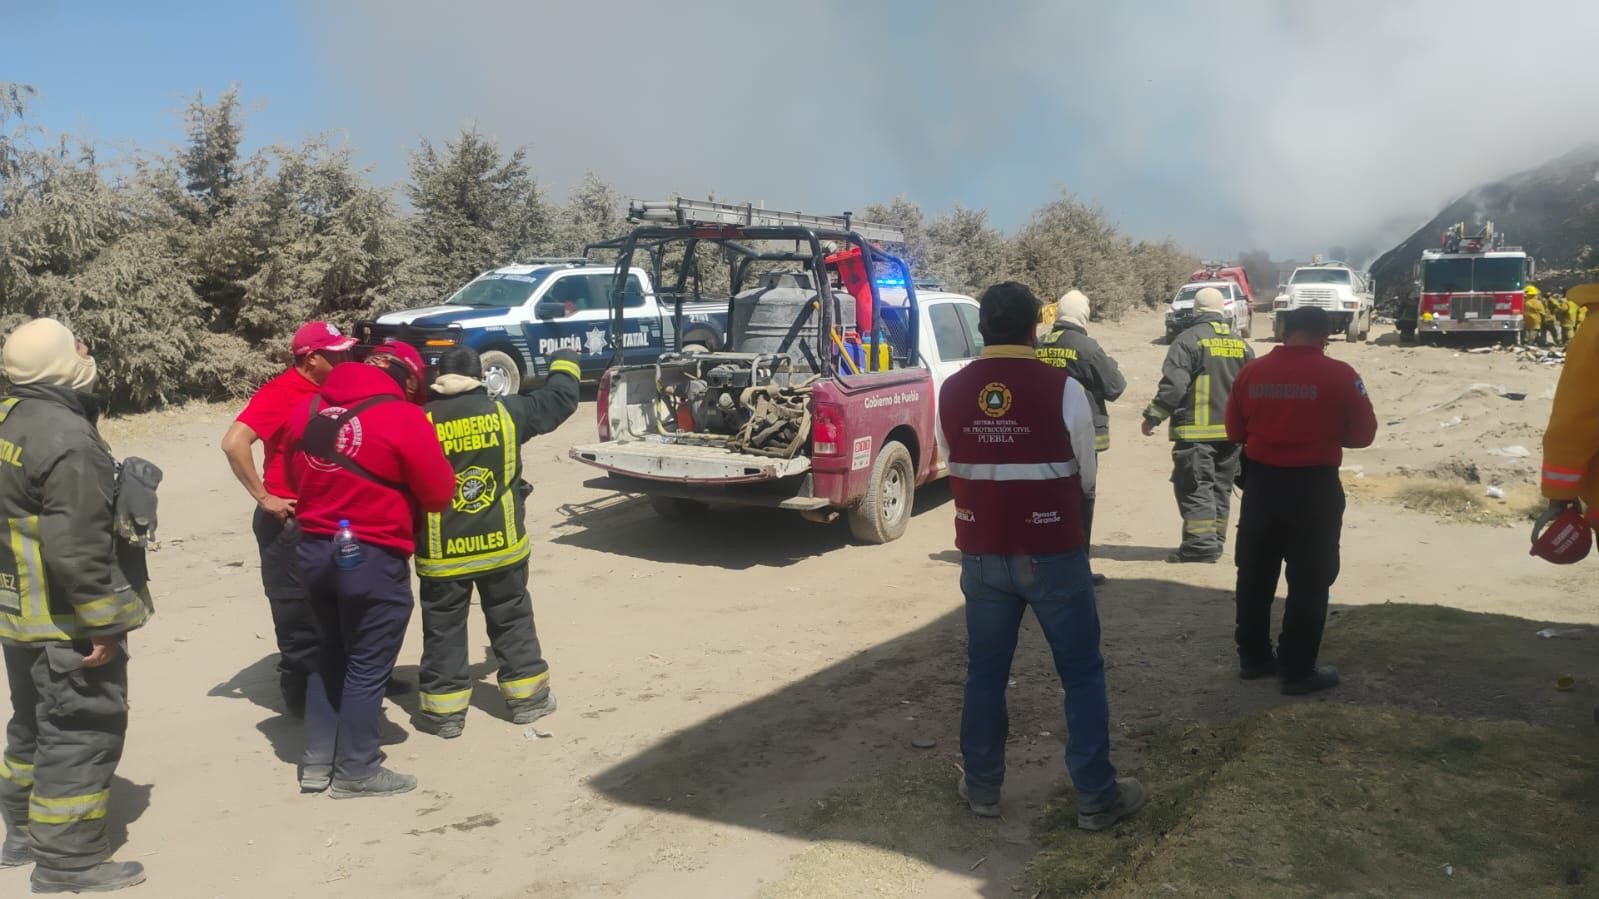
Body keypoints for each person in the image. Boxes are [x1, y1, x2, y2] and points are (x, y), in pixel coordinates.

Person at [940, 281, 1144, 830]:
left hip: (982, 555)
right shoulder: (1063, 388)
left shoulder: (952, 391)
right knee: (1080, 674)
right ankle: (1096, 798)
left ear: (983, 327)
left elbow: (950, 460)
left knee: (985, 673)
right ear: (1035, 329)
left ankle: (982, 787)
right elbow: (1088, 476)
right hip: (1052, 552)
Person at [0, 319, 150, 893]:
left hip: (18, 611)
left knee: (34, 724)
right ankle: (68, 862)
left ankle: (20, 830)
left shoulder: (10, 419)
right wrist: (103, 623)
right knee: (82, 730)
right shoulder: (65, 436)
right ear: (59, 361)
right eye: (76, 345)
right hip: (66, 620)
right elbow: (78, 543)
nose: (86, 350)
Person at [281, 342, 454, 798]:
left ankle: (318, 762)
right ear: (408, 380)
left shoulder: (311, 411)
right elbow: (438, 494)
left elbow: (294, 476)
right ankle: (358, 769)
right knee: (367, 661)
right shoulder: (401, 417)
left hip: (315, 550)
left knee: (329, 653)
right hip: (371, 553)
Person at [414, 347, 581, 738]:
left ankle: (445, 716)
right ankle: (529, 701)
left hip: (443, 553)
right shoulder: (507, 412)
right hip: (501, 544)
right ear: (480, 377)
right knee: (511, 618)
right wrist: (565, 362)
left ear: (439, 378)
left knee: (443, 629)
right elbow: (559, 400)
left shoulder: (420, 420)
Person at [1225, 308, 1377, 696]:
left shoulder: (1252, 372)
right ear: (1326, 334)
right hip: (1314, 489)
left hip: (1261, 485)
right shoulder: (1341, 375)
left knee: (1255, 573)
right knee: (1310, 579)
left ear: (1282, 331)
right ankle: (1296, 671)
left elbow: (1234, 430)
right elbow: (1363, 435)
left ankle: (1254, 658)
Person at [221, 321, 355, 716]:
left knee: (348, 600)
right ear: (312, 358)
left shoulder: (334, 389)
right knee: (297, 610)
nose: (345, 357)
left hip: (333, 517)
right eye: (336, 353)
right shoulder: (281, 393)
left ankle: (354, 678)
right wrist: (265, 496)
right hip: (290, 522)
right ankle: (300, 697)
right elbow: (234, 442)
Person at [1140, 286, 1254, 562]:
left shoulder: (1188, 341)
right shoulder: (1242, 345)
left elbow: (1174, 385)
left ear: (1196, 311)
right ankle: (1214, 542)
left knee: (1195, 486)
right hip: (1232, 434)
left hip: (1196, 433)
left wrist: (1153, 415)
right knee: (1220, 487)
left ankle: (1199, 547)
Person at [1036, 289, 1126, 585]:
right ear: (1083, 314)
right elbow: (1115, 387)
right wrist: (1109, 364)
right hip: (1080, 440)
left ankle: (1045, 565)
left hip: (1042, 438)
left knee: (1046, 503)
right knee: (1081, 501)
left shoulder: (1039, 343)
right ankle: (1077, 569)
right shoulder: (1086, 347)